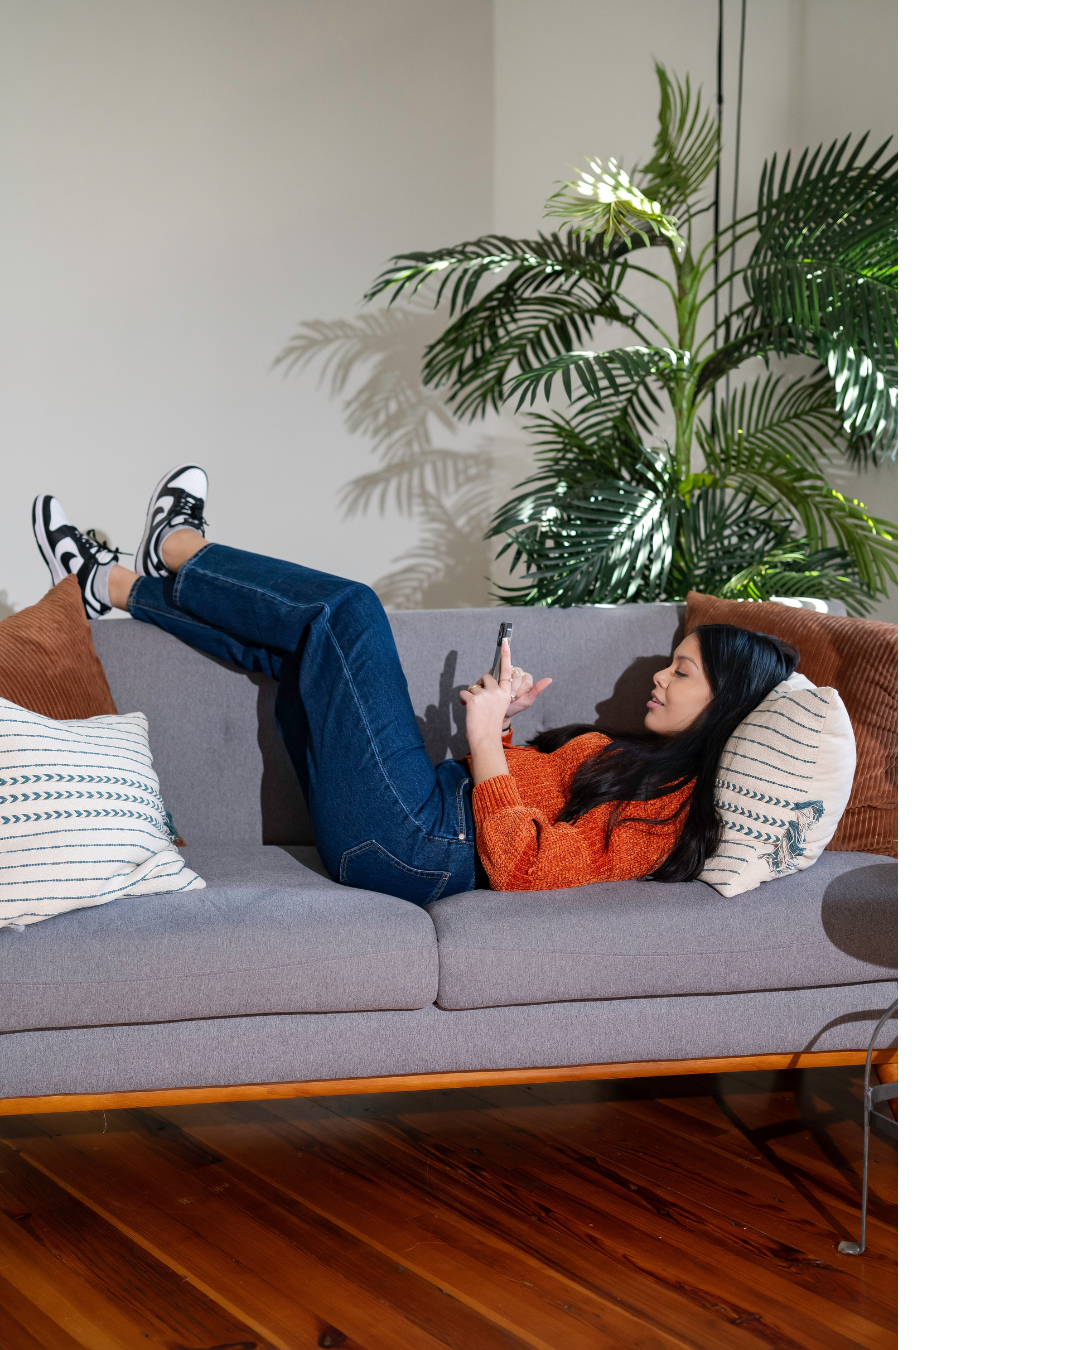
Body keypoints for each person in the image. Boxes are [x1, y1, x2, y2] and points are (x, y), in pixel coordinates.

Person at [31, 466, 799, 905]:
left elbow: (528, 867)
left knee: (349, 610)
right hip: (423, 824)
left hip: (419, 845)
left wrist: (483, 745)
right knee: (303, 652)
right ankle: (114, 585)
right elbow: (531, 809)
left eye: (682, 670)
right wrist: (501, 724)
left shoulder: (668, 812)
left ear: (724, 702)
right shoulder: (646, 763)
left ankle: (176, 545)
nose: (661, 674)